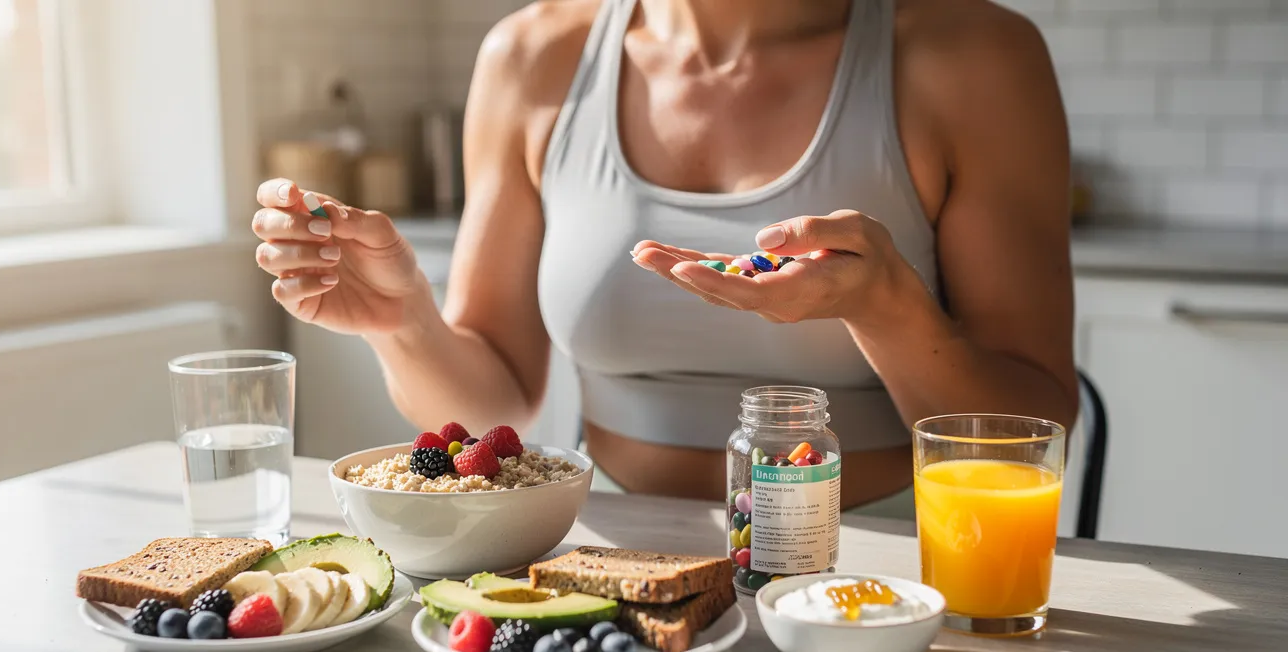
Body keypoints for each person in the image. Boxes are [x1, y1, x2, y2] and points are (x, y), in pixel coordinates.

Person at [251, 0, 1077, 511]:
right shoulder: (531, 57)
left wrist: (885, 306)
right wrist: (403, 322)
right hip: (605, 545)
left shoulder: (975, 55)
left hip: (887, 559)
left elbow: (1038, 415)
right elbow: (495, 389)